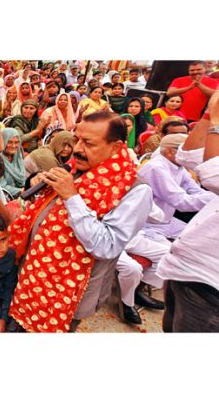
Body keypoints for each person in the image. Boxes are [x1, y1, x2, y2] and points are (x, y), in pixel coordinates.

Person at [9, 111, 154, 333]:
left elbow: (106, 245)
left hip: (66, 297)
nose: (76, 149)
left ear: (115, 147)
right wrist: (41, 187)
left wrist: (71, 196)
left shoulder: (135, 190)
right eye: (76, 139)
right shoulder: (78, 169)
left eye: (88, 143)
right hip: (30, 281)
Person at [155, 91, 219, 332]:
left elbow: (211, 176)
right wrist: (208, 115)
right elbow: (188, 156)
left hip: (210, 284)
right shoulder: (159, 166)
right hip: (187, 268)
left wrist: (216, 122)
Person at [137, 133, 215, 240]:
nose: (189, 156)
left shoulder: (178, 166)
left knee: (204, 237)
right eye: (185, 152)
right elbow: (181, 202)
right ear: (170, 152)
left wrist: (214, 196)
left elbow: (196, 191)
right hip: (147, 225)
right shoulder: (155, 168)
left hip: (167, 222)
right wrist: (215, 198)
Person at [0, 128, 26, 200]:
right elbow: (1, 186)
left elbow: (22, 178)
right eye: (9, 142)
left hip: (22, 195)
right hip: (5, 198)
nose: (13, 146)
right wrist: (20, 191)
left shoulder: (17, 156)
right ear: (3, 141)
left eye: (16, 142)